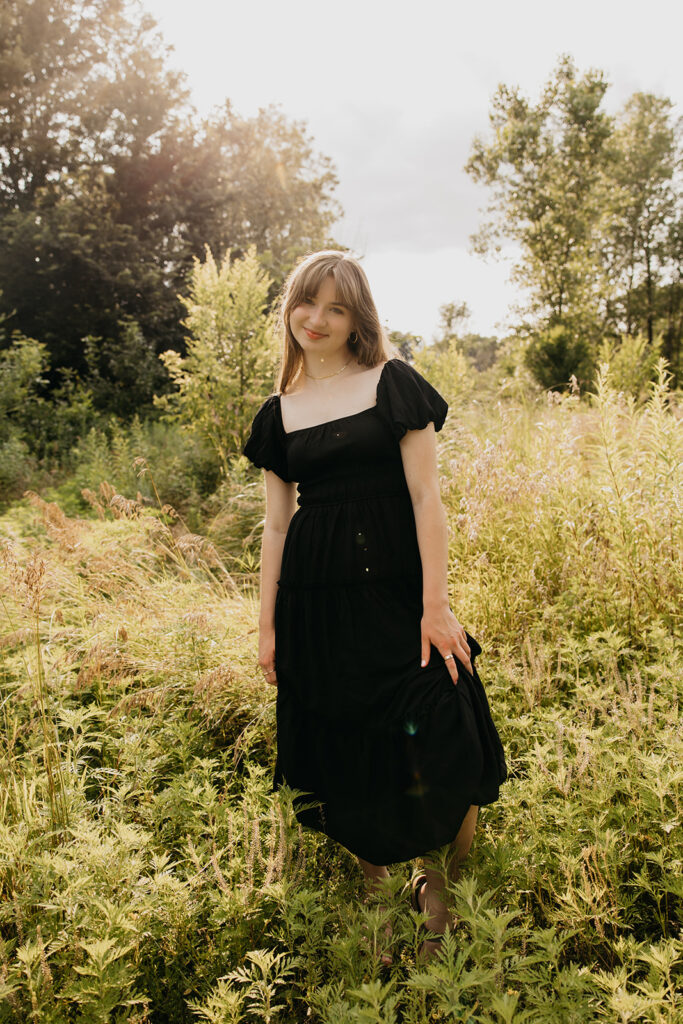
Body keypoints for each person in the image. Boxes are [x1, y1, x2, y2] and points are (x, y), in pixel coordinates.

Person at [242, 250, 507, 963]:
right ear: (289, 308)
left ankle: (438, 889)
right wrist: (266, 626)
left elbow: (426, 498)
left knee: (452, 716)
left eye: (335, 307)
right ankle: (375, 891)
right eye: (306, 302)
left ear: (358, 317)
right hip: (315, 604)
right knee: (342, 741)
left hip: (399, 596)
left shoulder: (393, 384)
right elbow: (274, 524)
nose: (316, 319)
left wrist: (436, 604)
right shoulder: (279, 413)